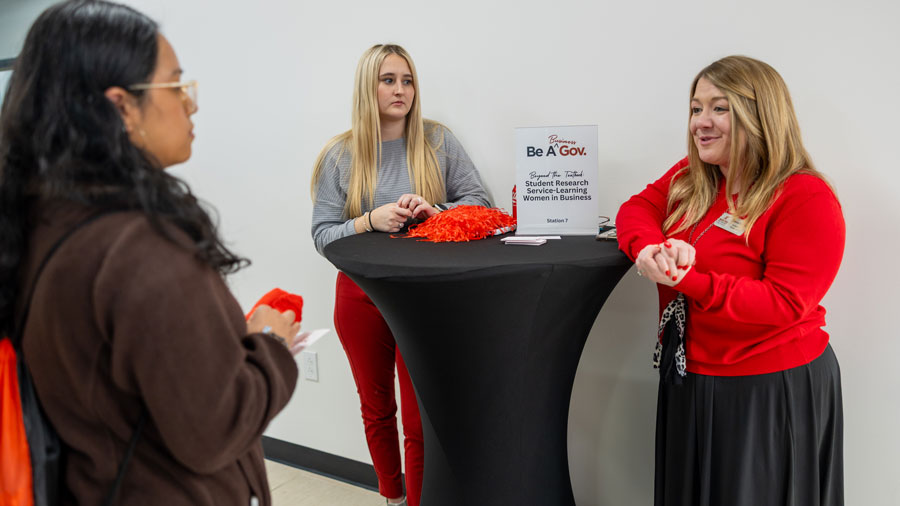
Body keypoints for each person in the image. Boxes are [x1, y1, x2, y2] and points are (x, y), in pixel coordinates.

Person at [0, 1, 299, 504]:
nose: (192, 104)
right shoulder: (140, 247)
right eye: (177, 85)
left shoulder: (41, 220)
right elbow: (214, 426)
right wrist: (269, 344)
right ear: (121, 107)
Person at [616, 55, 844, 506]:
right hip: (690, 376)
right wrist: (646, 249)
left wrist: (689, 280)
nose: (701, 121)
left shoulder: (804, 196)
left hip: (766, 388)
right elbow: (635, 209)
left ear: (760, 115)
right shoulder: (692, 177)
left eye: (719, 108)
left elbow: (783, 303)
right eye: (696, 108)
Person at [310, 44, 490, 506]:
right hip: (360, 295)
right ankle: (392, 497)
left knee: (419, 417)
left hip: (421, 298)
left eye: (407, 80)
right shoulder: (340, 155)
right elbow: (323, 236)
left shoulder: (438, 141)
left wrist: (436, 210)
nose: (401, 90)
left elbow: (484, 206)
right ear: (367, 88)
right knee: (376, 409)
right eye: (388, 80)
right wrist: (371, 220)